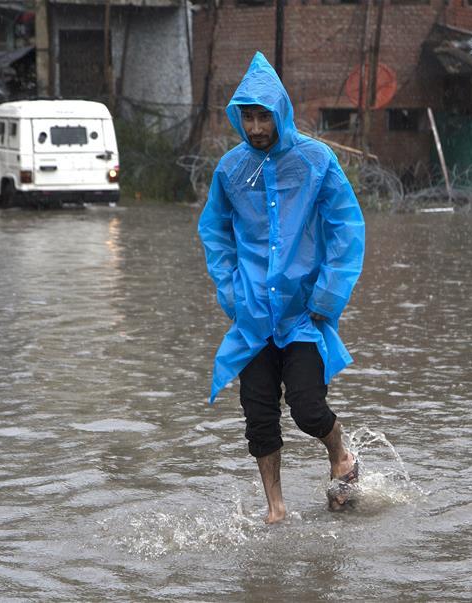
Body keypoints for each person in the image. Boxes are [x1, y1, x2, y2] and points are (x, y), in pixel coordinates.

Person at [197, 52, 365, 524]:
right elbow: (215, 233)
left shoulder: (315, 160)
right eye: (246, 116)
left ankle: (341, 454)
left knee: (309, 409)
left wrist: (328, 296)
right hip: (252, 315)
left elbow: (345, 228)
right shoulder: (230, 170)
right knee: (259, 419)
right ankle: (276, 508)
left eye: (262, 116)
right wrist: (231, 293)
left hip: (302, 314)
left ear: (280, 112)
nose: (255, 127)